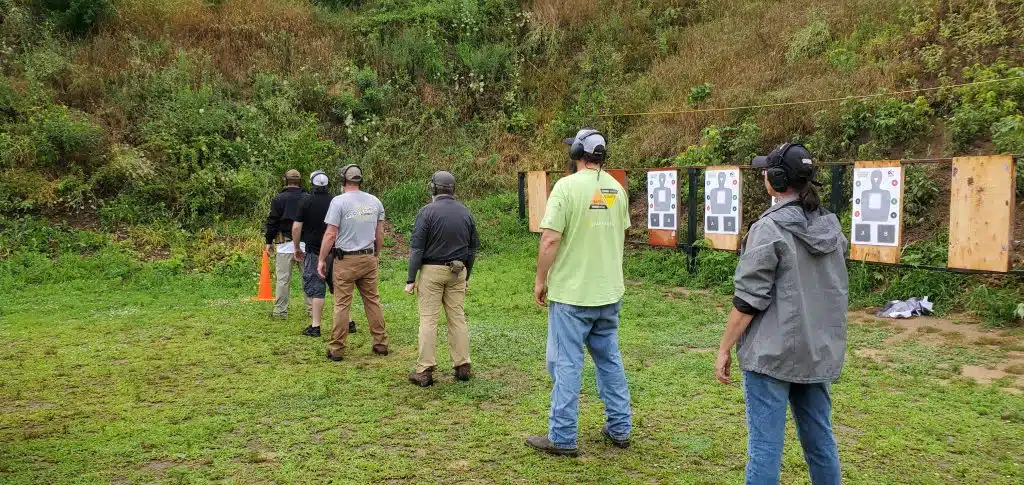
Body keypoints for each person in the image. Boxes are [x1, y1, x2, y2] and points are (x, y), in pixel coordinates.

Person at [715, 143, 848, 485]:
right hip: (816, 350)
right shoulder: (831, 227)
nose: (762, 175)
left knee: (764, 449)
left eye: (767, 170)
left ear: (776, 178)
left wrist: (724, 347)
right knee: (820, 442)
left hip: (771, 355)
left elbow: (748, 299)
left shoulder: (768, 229)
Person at [525, 129, 632, 458]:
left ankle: (562, 435)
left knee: (567, 364)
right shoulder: (616, 189)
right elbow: (620, 235)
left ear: (577, 153)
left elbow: (549, 240)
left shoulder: (566, 188)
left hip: (572, 295)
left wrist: (541, 279)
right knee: (609, 361)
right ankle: (620, 428)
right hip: (608, 293)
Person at [405, 171, 481, 387]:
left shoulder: (426, 212)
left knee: (429, 319)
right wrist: (467, 276)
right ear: (453, 189)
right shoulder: (465, 212)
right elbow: (472, 249)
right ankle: (462, 365)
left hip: (432, 272)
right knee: (457, 318)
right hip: (459, 272)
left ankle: (425, 369)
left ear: (433, 189)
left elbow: (417, 249)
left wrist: (411, 278)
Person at [317, 164, 389, 361]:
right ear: (360, 180)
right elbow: (379, 233)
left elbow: (331, 234)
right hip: (368, 257)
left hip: (345, 260)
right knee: (372, 300)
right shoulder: (375, 201)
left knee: (341, 304)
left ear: (343, 180)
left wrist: (322, 259)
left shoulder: (338, 202)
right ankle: (381, 343)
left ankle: (337, 348)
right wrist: (376, 255)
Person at [292, 170, 336, 337]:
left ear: (312, 184)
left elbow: (296, 227)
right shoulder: (335, 201)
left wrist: (297, 247)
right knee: (339, 287)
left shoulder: (305, 201)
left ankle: (315, 326)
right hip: (334, 250)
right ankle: (348, 322)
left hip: (313, 251)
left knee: (317, 288)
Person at [264, 169, 311, 319]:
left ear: (285, 180)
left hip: (284, 244)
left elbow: (272, 221)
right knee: (308, 278)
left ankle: (280, 311)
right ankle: (312, 310)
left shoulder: (279, 199)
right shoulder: (308, 198)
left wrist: (268, 241)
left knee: (283, 279)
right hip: (305, 244)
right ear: (299, 181)